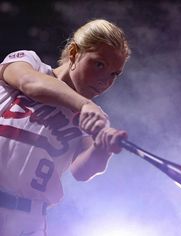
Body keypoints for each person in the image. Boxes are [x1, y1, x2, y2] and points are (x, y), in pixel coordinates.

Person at [0, 18, 131, 236]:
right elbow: (29, 84)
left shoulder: (91, 117)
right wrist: (85, 104)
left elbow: (82, 171)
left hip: (27, 222)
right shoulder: (30, 63)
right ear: (73, 54)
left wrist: (101, 147)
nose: (105, 81)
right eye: (99, 64)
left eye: (113, 74)